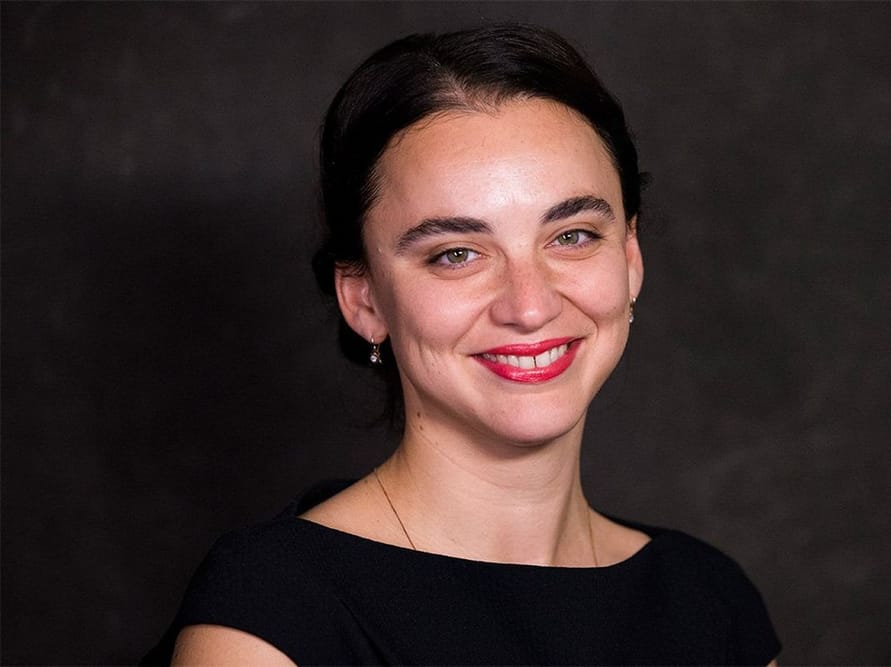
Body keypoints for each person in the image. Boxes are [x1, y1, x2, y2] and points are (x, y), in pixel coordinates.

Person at [145, 23, 781, 666]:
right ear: (364, 299)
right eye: (456, 254)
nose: (530, 306)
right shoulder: (268, 618)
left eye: (572, 236)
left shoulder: (711, 601)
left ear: (630, 257)